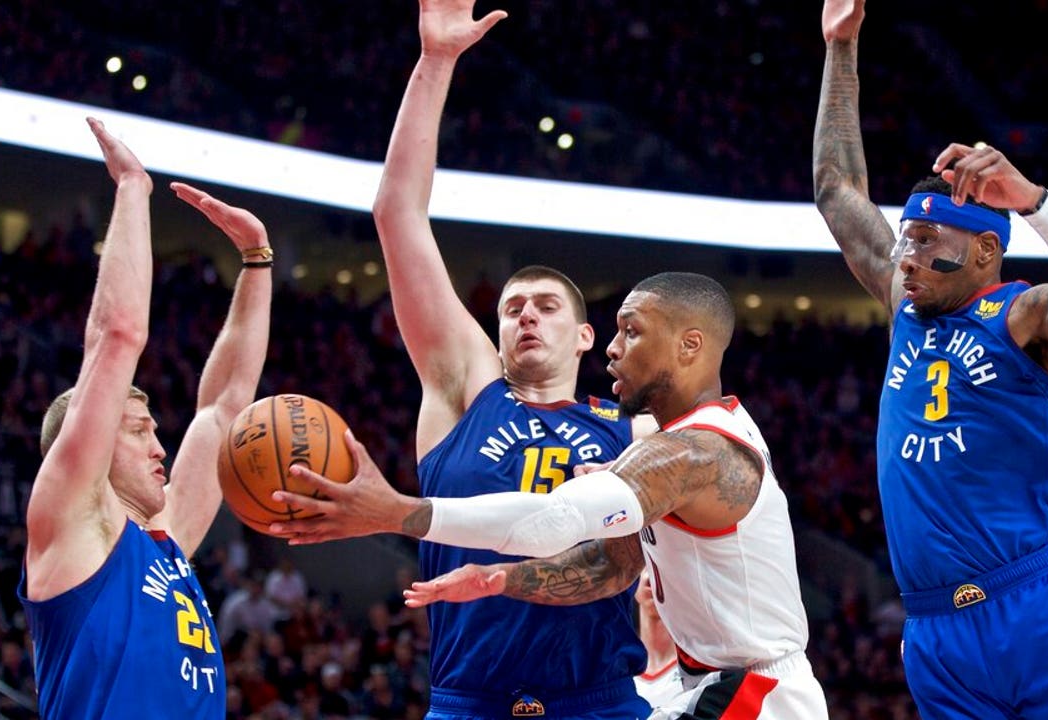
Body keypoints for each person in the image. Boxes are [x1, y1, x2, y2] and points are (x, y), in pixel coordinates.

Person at [274, 1, 655, 717]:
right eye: (512, 308)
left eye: (547, 306)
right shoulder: (466, 390)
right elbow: (397, 215)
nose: (526, 315)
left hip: (600, 700)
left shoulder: (633, 429)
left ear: (585, 337)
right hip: (470, 701)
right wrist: (436, 61)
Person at [276, 272, 830, 720]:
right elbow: (609, 565)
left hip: (757, 696)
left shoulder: (693, 453)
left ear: (690, 346)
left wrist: (397, 513)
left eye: (632, 332)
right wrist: (502, 579)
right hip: (720, 687)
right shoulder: (682, 442)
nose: (612, 348)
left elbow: (557, 518)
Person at [811, 1, 1048, 717]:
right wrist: (841, 48)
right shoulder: (905, 303)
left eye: (928, 241)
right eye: (906, 238)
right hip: (935, 629)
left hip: (1034, 609)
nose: (907, 256)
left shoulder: (1023, 315)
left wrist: (1036, 205)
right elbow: (836, 189)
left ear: (986, 249)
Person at [16, 118, 274, 719]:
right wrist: (134, 187)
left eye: (154, 429)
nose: (160, 446)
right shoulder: (73, 521)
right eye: (137, 430)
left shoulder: (165, 536)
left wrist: (257, 260)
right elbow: (116, 337)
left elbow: (224, 405)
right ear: (88, 446)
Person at [631, 570, 681, 709]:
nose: (651, 576)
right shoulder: (614, 670)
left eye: (660, 564)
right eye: (643, 563)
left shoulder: (701, 670)